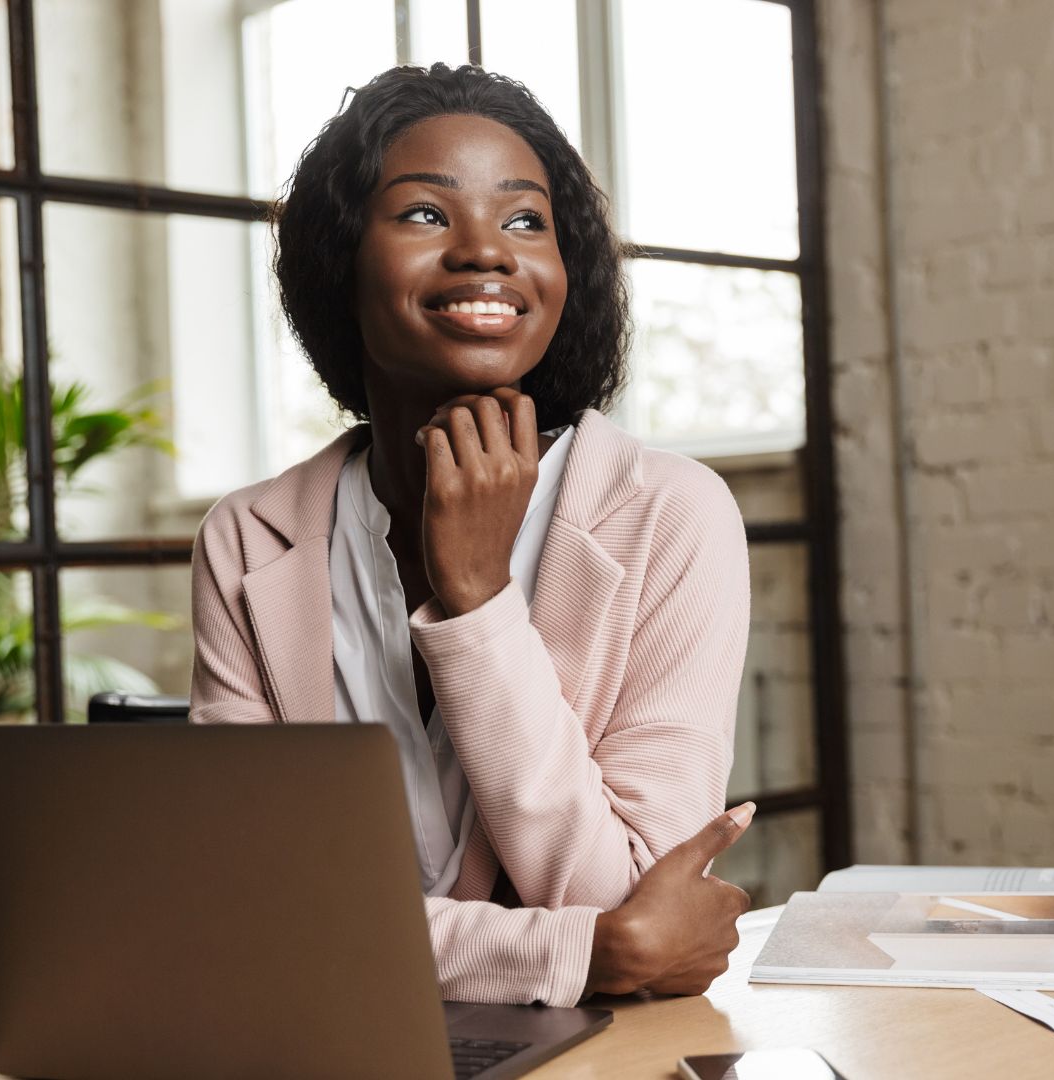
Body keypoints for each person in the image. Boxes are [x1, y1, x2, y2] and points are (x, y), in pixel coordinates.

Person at [190, 62, 752, 1007]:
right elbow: (247, 906)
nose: (486, 251)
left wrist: (480, 601)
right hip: (322, 1042)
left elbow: (631, 899)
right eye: (424, 214)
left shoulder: (672, 514)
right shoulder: (251, 538)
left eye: (527, 220)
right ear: (340, 257)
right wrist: (574, 954)